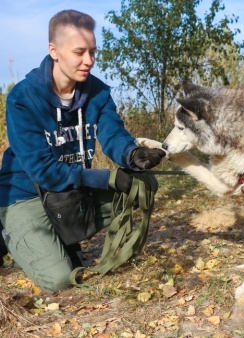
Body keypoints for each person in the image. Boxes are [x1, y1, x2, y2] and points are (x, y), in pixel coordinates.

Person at [0, 10, 165, 293]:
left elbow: (112, 133)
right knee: (61, 280)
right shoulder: (23, 98)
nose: (88, 60)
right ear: (54, 51)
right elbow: (46, 173)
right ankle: (8, 233)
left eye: (92, 51)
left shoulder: (97, 92)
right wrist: (109, 179)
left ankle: (61, 237)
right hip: (25, 196)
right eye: (79, 52)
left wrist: (131, 155)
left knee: (144, 183)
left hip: (68, 194)